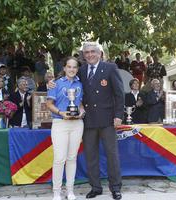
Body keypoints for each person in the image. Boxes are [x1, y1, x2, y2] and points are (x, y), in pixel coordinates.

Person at [49, 42, 124, 200]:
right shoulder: (81, 70)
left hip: (107, 119)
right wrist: (51, 82)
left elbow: (119, 94)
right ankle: (95, 187)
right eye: (86, 52)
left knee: (112, 154)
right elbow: (67, 79)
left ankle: (115, 188)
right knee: (91, 155)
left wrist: (118, 115)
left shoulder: (110, 68)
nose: (89, 54)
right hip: (87, 120)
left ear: (99, 53)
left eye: (92, 52)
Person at [46, 57, 85, 200]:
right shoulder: (55, 84)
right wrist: (61, 113)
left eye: (74, 67)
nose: (72, 69)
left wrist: (82, 111)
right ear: (64, 68)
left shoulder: (80, 84)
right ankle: (56, 192)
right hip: (60, 123)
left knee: (72, 158)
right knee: (59, 159)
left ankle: (70, 191)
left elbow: (80, 104)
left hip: (76, 124)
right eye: (69, 67)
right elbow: (49, 104)